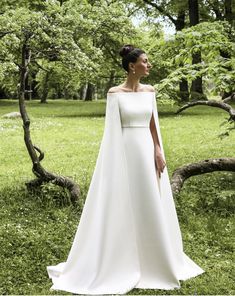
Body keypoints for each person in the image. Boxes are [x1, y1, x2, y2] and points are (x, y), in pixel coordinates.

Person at [47, 44, 204, 295]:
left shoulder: (150, 91)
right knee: (126, 201)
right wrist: (113, 164)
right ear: (132, 66)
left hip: (147, 150)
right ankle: (122, 256)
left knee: (148, 199)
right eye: (145, 61)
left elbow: (153, 124)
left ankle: (154, 257)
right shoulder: (114, 93)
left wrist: (158, 150)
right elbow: (111, 133)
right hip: (125, 151)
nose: (149, 64)